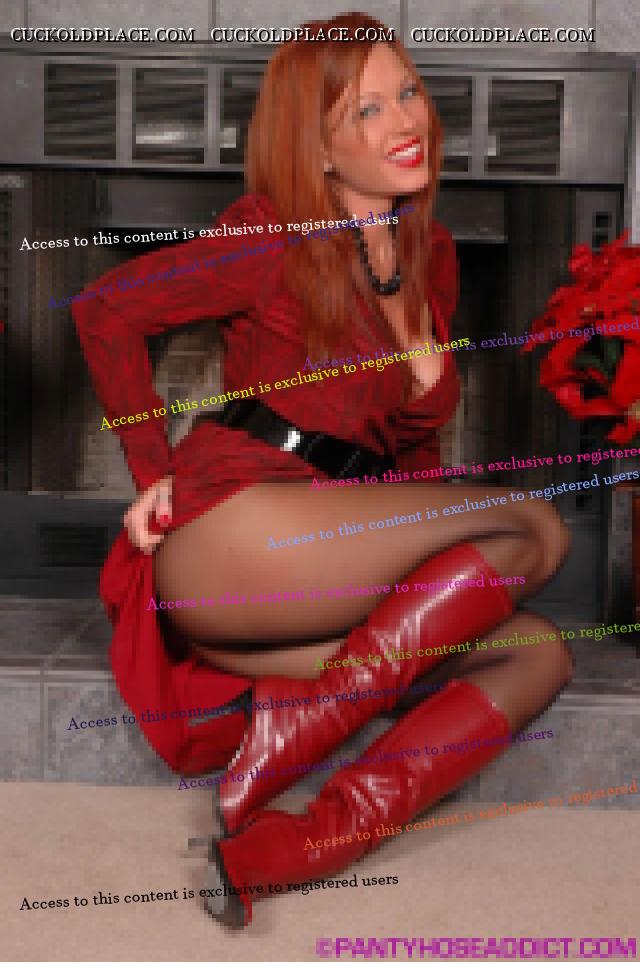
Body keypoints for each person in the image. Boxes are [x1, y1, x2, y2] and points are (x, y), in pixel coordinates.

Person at [73, 12, 572, 929]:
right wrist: (150, 468)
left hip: (327, 567)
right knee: (535, 528)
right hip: (236, 534)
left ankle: (287, 845)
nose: (405, 120)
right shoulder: (271, 234)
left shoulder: (428, 255)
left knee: (538, 651)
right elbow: (106, 310)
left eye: (408, 92)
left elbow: (411, 455)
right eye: (367, 109)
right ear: (318, 148)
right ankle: (294, 737)